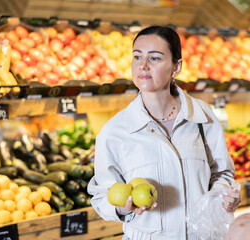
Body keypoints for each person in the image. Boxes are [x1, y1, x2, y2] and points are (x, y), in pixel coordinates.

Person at [87, 25, 241, 240]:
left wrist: (224, 196)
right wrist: (123, 209)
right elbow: (101, 195)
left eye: (155, 59)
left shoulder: (201, 116)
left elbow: (222, 173)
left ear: (176, 67)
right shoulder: (115, 131)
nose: (143, 66)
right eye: (137, 57)